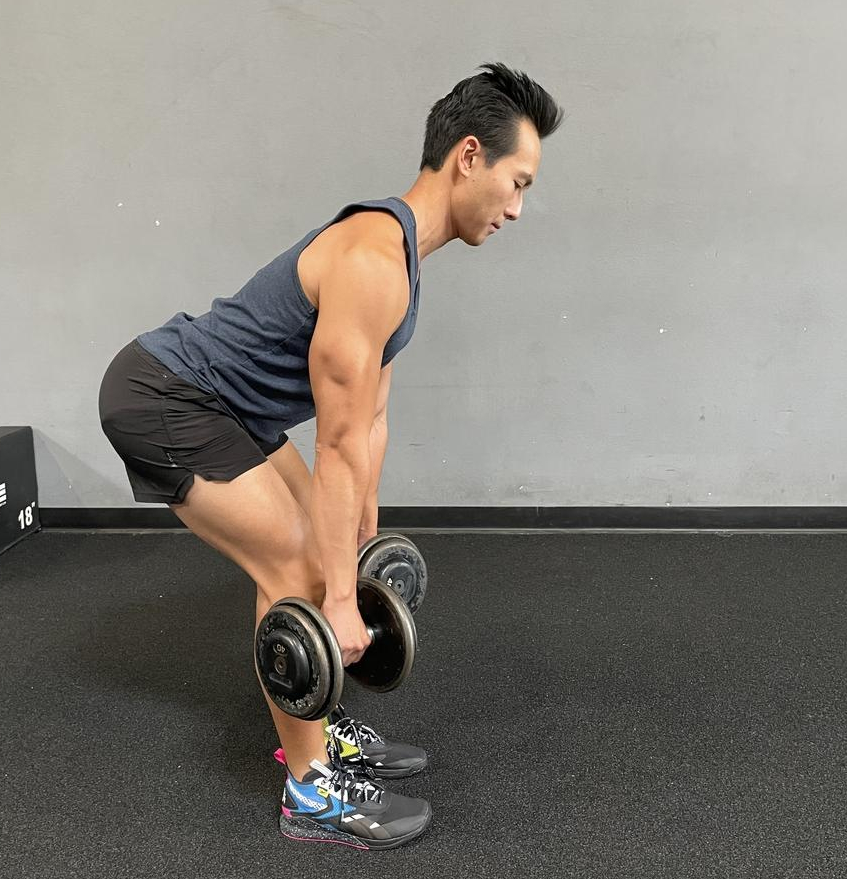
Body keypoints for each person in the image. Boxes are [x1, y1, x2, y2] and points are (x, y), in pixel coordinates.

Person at [98, 61, 563, 850]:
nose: (518, 208)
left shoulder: (401, 259)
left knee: (326, 551)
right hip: (166, 395)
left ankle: (315, 723)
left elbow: (371, 420)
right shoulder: (372, 264)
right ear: (470, 156)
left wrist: (361, 541)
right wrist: (341, 601)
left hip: (225, 403)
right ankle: (310, 789)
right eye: (517, 182)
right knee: (296, 569)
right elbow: (338, 441)